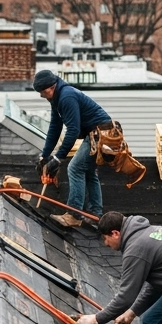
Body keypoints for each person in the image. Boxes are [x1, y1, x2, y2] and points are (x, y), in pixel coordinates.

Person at [33, 69, 112, 227]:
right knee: (88, 171)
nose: (41, 96)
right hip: (97, 132)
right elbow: (55, 128)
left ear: (50, 88)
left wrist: (58, 157)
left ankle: (74, 215)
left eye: (42, 92)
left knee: (75, 168)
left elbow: (73, 130)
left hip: (100, 133)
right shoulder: (56, 98)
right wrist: (45, 155)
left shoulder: (66, 97)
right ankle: (95, 217)